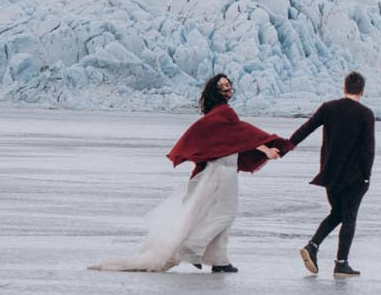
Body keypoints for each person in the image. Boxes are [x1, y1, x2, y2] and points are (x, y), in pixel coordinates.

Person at [91, 74, 289, 273]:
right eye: (223, 87)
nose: (228, 89)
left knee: (213, 213)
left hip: (218, 170)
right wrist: (267, 149)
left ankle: (219, 260)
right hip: (223, 172)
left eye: (229, 85)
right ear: (215, 92)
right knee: (226, 212)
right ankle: (192, 247)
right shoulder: (225, 114)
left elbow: (237, 137)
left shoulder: (214, 114)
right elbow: (245, 134)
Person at [289, 70, 375, 278]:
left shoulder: (328, 108)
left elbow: (306, 128)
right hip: (354, 177)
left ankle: (313, 246)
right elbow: (368, 148)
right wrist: (367, 175)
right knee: (349, 217)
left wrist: (286, 145)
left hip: (330, 174)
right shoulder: (365, 114)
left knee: (338, 213)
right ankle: (341, 263)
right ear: (362, 91)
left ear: (344, 88)